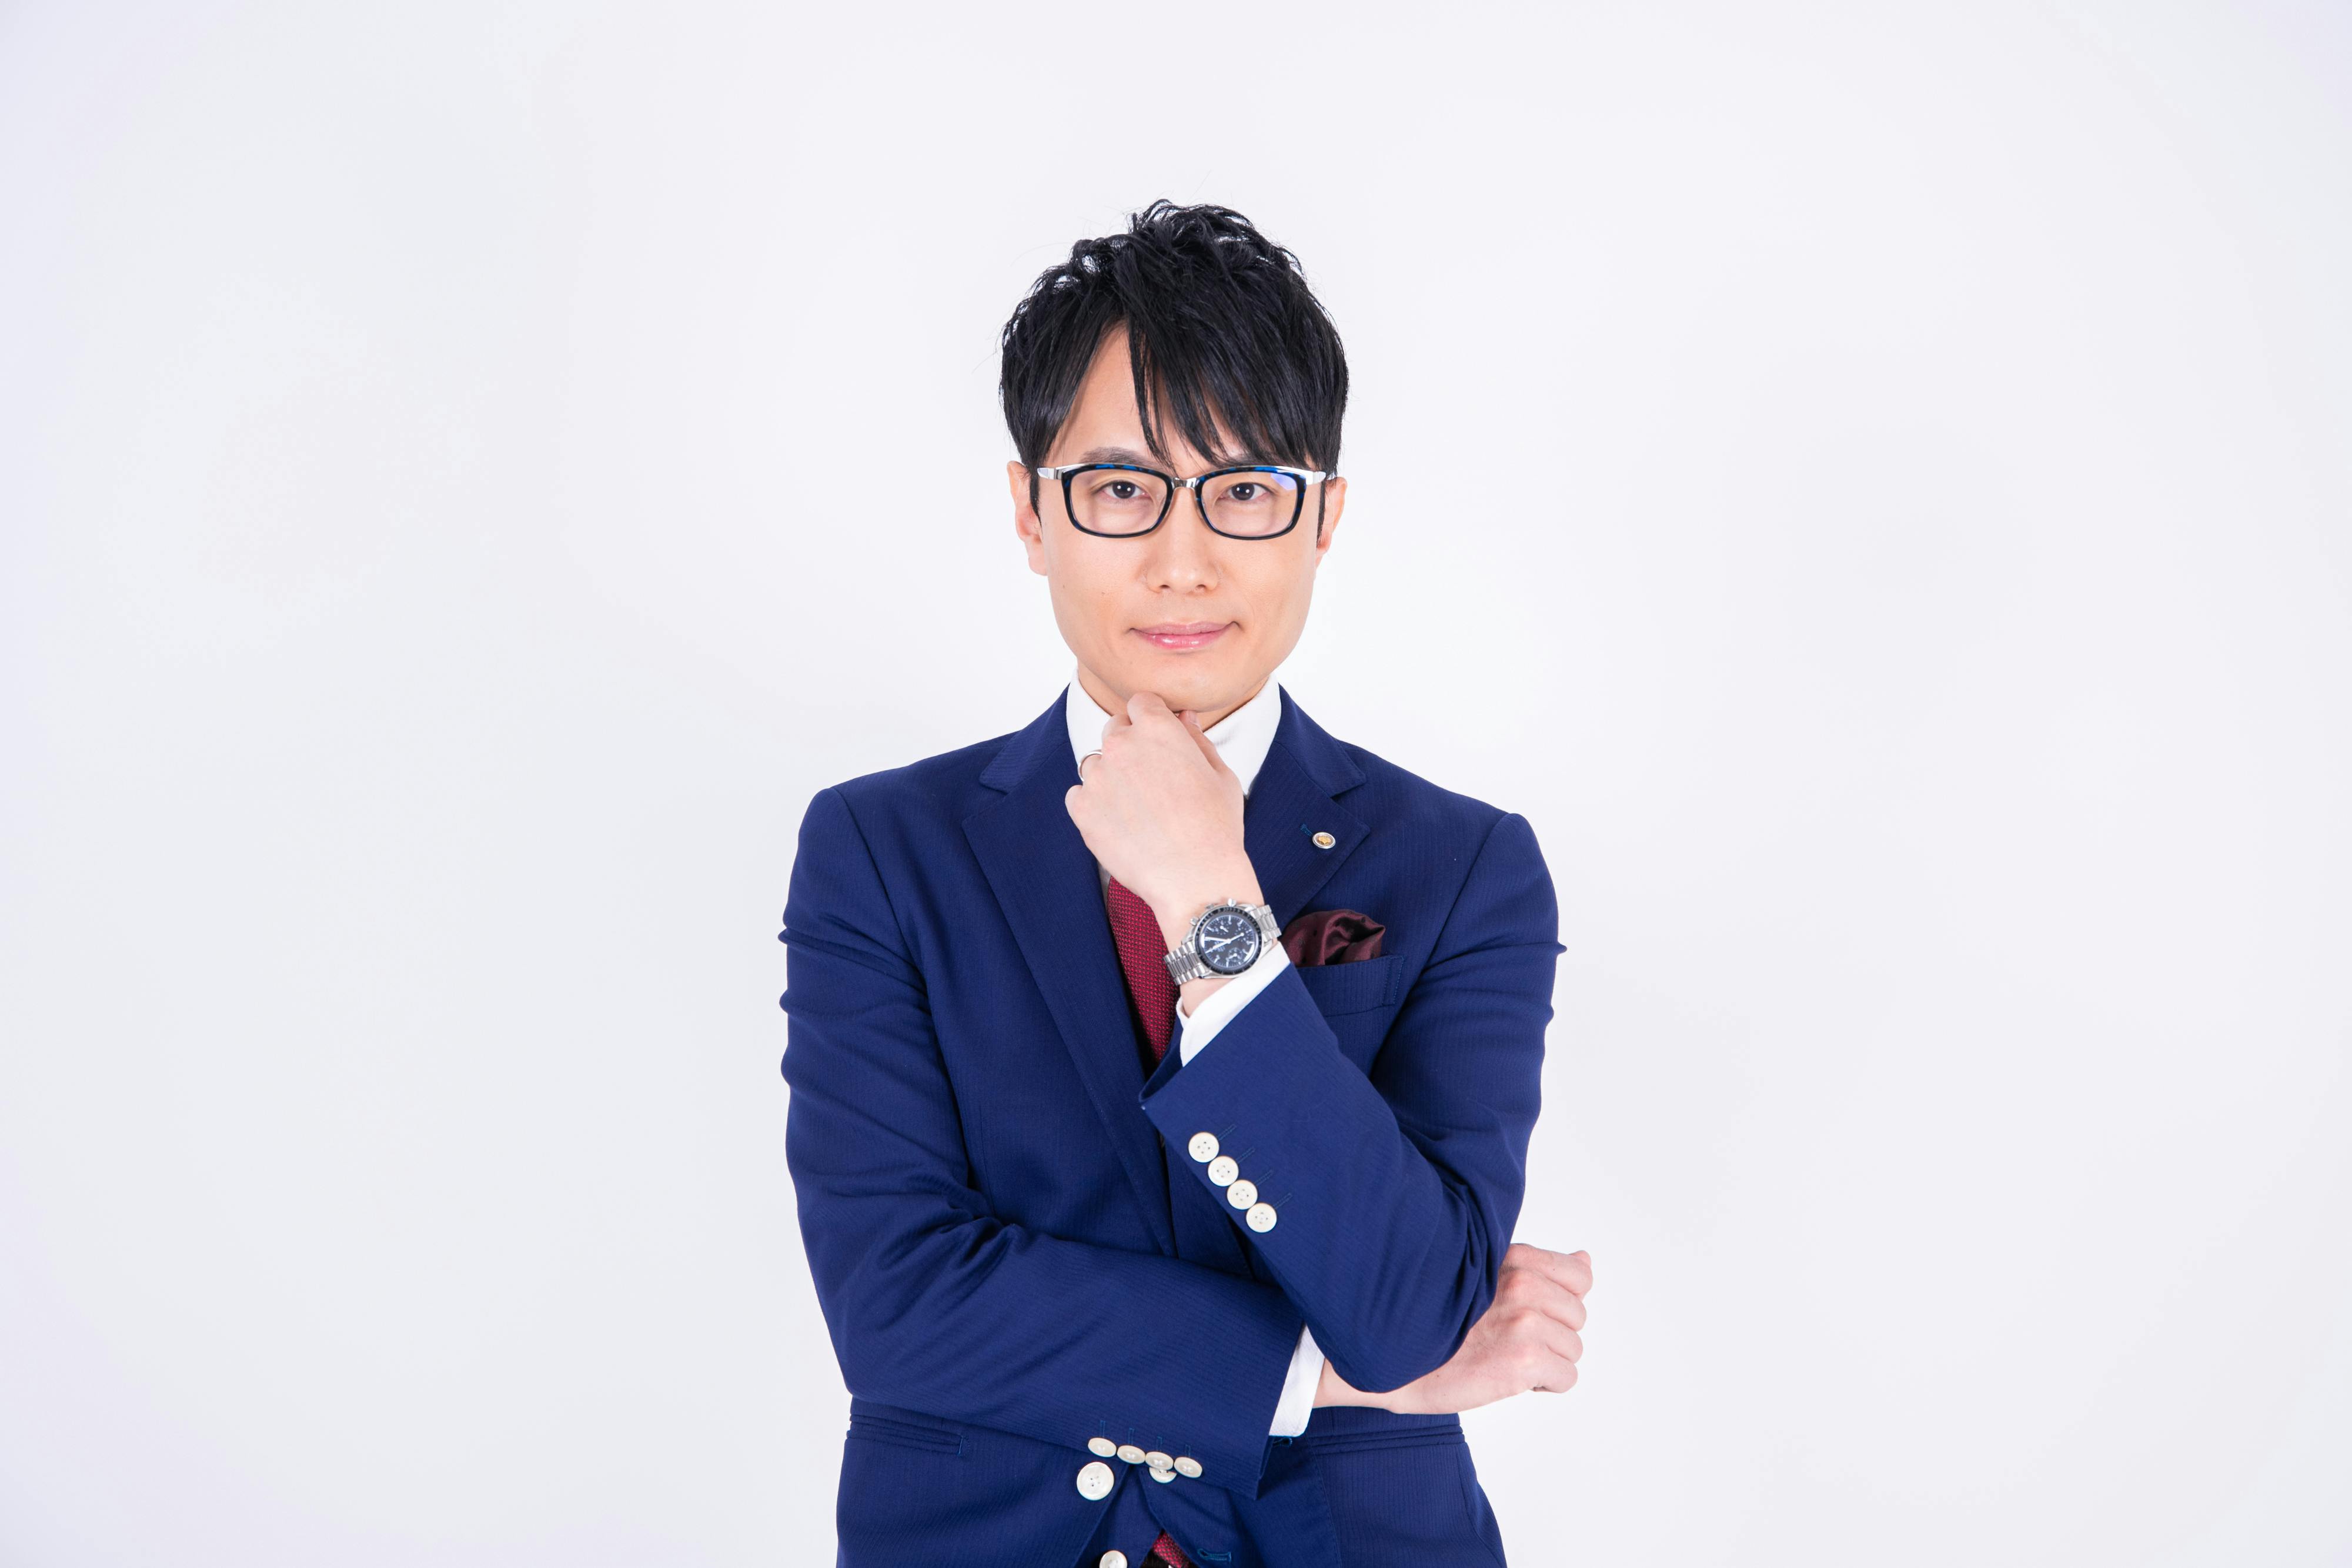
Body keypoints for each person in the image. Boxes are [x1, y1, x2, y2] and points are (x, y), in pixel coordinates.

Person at [778, 200, 1593, 1568]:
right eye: (1119, 490)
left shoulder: (1465, 866)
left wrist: (1215, 908)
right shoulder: (882, 847)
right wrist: (1329, 1377)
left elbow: (1408, 1308)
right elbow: (899, 1305)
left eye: (1245, 491)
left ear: (1322, 518)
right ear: (1030, 513)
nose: (1182, 559)